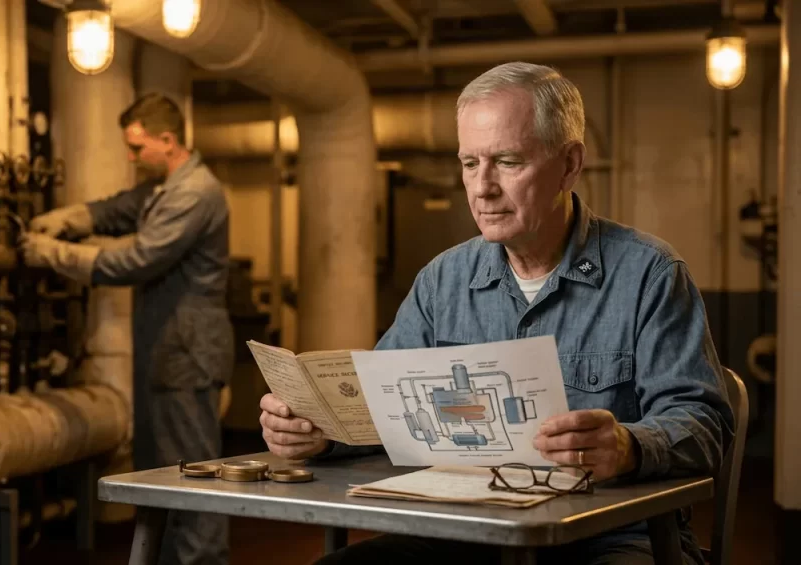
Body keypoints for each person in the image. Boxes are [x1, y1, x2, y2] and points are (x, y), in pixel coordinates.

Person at [257, 62, 735, 565]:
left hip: (611, 533)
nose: (482, 188)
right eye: (469, 163)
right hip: (466, 530)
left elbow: (705, 424)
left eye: (507, 162)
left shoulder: (650, 274)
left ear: (569, 165)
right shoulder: (441, 282)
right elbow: (378, 416)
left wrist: (630, 446)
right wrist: (318, 433)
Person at [20, 93, 232, 565]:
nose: (131, 159)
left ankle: (202, 561)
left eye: (137, 149)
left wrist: (53, 253)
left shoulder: (195, 192)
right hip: (166, 351)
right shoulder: (163, 187)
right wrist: (69, 219)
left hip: (186, 354)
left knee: (195, 476)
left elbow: (139, 258)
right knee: (163, 474)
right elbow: (118, 209)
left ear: (168, 140)